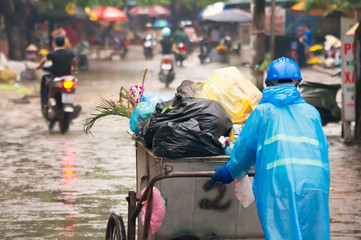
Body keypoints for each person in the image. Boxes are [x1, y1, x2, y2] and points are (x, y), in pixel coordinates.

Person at [211, 57, 330, 240]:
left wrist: (230, 170)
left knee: (282, 234)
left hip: (280, 185)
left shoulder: (263, 111)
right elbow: (323, 152)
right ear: (298, 82)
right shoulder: (312, 112)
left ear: (268, 83)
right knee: (313, 234)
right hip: (315, 183)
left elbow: (245, 149)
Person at [36, 35, 77, 114]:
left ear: (54, 43)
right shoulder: (70, 53)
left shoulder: (52, 54)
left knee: (46, 84)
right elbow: (74, 62)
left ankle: (45, 104)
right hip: (68, 78)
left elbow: (43, 61)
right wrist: (74, 68)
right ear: (64, 43)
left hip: (56, 78)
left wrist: (39, 66)